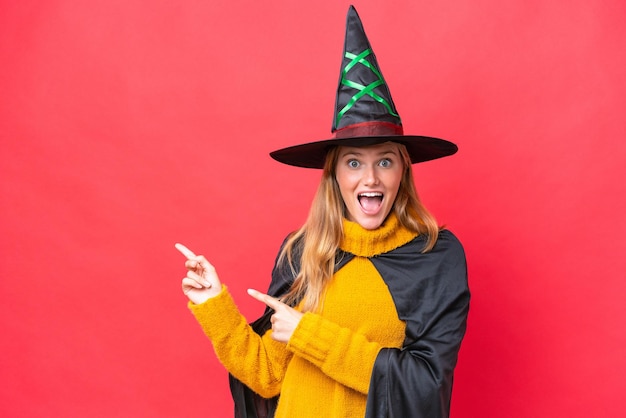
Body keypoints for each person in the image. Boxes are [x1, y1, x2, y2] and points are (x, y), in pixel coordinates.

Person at [176, 6, 469, 418]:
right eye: (353, 163)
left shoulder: (434, 256)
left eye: (385, 161)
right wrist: (214, 305)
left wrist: (309, 334)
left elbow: (424, 383)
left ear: (403, 171)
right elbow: (266, 376)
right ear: (333, 175)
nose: (370, 178)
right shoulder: (303, 251)